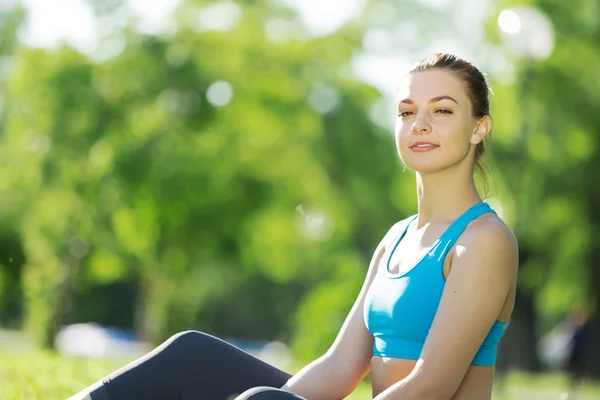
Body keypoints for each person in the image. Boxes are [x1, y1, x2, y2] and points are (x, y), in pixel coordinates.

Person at [70, 52, 518, 400]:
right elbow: (341, 366)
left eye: (442, 111)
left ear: (479, 128)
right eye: (406, 112)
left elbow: (430, 389)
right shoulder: (396, 239)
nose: (419, 124)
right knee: (191, 355)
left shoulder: (483, 241)